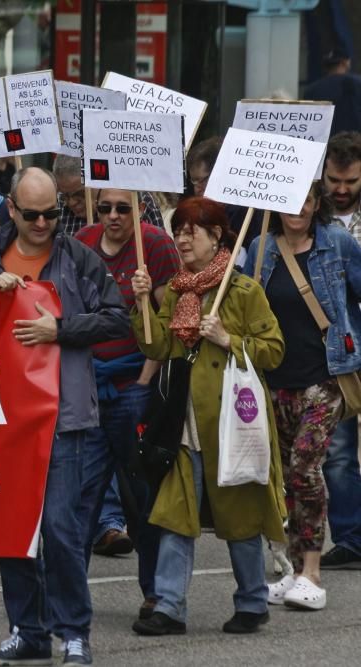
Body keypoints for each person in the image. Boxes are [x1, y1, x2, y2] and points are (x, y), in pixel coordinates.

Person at [0, 167, 130, 666]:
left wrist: (58, 328)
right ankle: (27, 631)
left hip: (64, 417)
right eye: (32, 214)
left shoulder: (77, 255)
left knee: (61, 531)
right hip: (5, 420)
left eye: (52, 213)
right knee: (11, 530)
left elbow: (116, 317)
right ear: (11, 210)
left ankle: (73, 633)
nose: (43, 223)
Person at [129, 196, 286, 636]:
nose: (180, 238)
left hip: (232, 425)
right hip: (183, 424)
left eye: (190, 230)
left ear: (216, 235)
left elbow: (274, 351)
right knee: (175, 517)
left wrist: (228, 338)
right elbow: (157, 347)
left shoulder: (242, 290)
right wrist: (142, 302)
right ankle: (170, 607)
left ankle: (253, 602)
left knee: (240, 518)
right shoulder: (177, 290)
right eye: (177, 230)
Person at [245, 182, 361, 610]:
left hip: (326, 376)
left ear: (317, 203)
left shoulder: (338, 244)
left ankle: (312, 571)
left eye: (307, 200)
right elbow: (244, 304)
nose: (299, 208)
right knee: (286, 477)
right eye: (290, 200)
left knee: (305, 467)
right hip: (275, 379)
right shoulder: (259, 247)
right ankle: (295, 571)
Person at [74, 188, 180, 617]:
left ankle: (155, 593)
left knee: (143, 498)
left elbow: (176, 315)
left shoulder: (154, 244)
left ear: (138, 208)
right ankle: (66, 594)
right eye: (105, 208)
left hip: (135, 388)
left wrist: (150, 293)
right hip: (87, 392)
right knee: (80, 499)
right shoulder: (81, 242)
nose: (114, 216)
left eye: (123, 207)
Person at [317, 132, 361, 571]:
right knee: (340, 451)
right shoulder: (313, 221)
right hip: (339, 351)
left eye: (351, 181)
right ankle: (350, 538)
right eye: (334, 180)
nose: (342, 190)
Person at [51, 154, 163, 236]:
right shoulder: (56, 206)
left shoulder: (134, 199)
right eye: (65, 195)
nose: (71, 202)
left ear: (96, 181)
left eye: (79, 194)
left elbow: (160, 251)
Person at [303, 49, 361, 134]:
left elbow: (308, 124)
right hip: (355, 143)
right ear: (345, 62)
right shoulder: (358, 83)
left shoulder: (311, 90)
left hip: (326, 143)